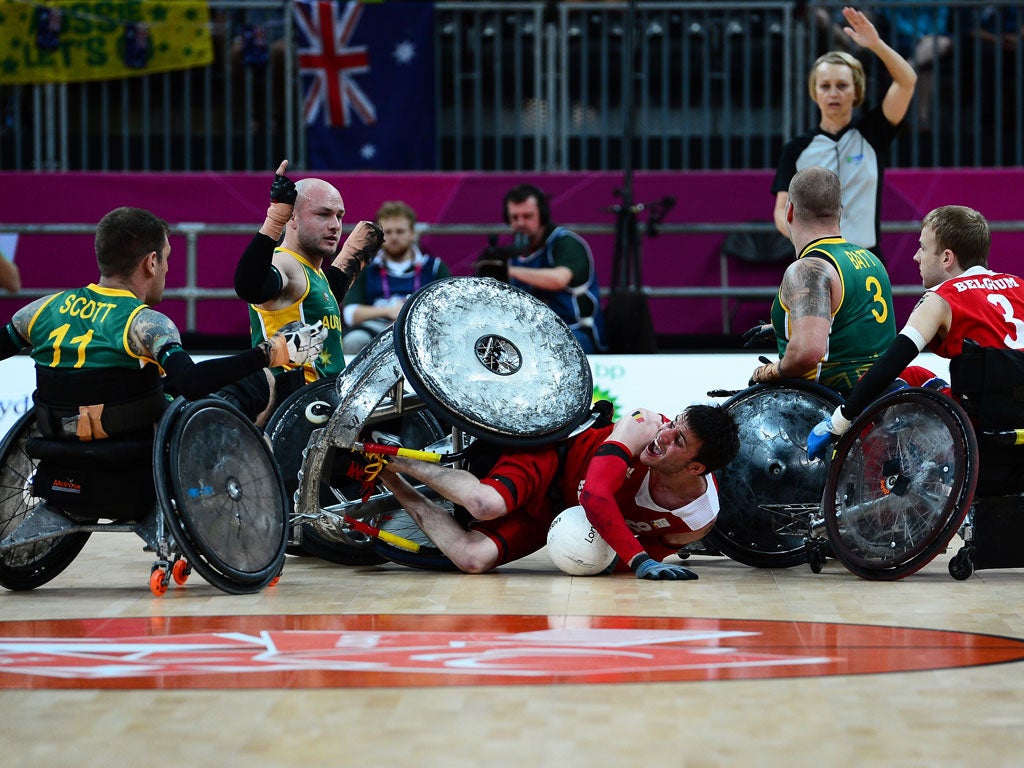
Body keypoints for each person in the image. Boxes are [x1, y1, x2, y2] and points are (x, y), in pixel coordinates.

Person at [0, 205, 323, 444]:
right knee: (253, 383)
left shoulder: (40, 310)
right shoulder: (145, 323)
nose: (167, 268)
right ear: (151, 263)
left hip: (56, 439)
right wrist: (269, 353)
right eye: (166, 258)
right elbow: (192, 382)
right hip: (133, 451)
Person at [378, 403, 740, 580]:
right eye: (673, 423)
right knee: (487, 503)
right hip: (552, 458)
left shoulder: (696, 519)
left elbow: (637, 558)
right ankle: (394, 457)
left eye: (678, 440)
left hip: (554, 514)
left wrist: (594, 558)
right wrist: (639, 560)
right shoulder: (643, 424)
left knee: (473, 559)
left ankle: (386, 475)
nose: (664, 434)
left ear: (695, 468)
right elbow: (595, 495)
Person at [808, 205, 1024, 460]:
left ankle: (868, 471)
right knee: (919, 375)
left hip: (980, 425)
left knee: (884, 380)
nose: (915, 256)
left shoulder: (941, 298)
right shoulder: (1019, 285)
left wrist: (839, 420)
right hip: (1016, 420)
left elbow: (890, 364)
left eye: (923, 248)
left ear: (946, 258)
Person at [771, 6, 917, 261]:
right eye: (825, 86)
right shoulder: (796, 149)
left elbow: (907, 81)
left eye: (842, 85)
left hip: (867, 259)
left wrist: (876, 45)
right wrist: (809, 242)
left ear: (856, 91)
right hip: (815, 260)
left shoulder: (873, 133)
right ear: (815, 92)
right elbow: (781, 213)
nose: (833, 93)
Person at [234, 160, 383, 401]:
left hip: (326, 401)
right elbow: (248, 286)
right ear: (292, 218)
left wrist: (354, 258)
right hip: (299, 408)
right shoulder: (284, 262)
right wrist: (274, 220)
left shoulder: (314, 273)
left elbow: (320, 298)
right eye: (323, 214)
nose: (335, 226)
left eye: (339, 216)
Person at [749, 166, 896, 398]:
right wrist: (780, 327)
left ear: (790, 211)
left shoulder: (808, 268)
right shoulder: (871, 260)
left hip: (829, 403)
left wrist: (768, 372)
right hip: (881, 398)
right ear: (839, 212)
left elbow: (806, 354)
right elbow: (852, 323)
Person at [501, 184, 607, 354]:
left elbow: (558, 279)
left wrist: (508, 271)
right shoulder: (513, 252)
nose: (520, 223)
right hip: (531, 335)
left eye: (527, 216)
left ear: (542, 215)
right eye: (514, 217)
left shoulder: (566, 243)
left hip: (575, 333)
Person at [341, 201, 451, 355]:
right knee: (354, 340)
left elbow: (449, 310)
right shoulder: (365, 267)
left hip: (422, 330)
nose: (393, 237)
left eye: (400, 231)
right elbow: (350, 314)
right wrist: (389, 311)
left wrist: (410, 313)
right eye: (388, 232)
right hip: (376, 330)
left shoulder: (434, 267)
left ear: (412, 233)